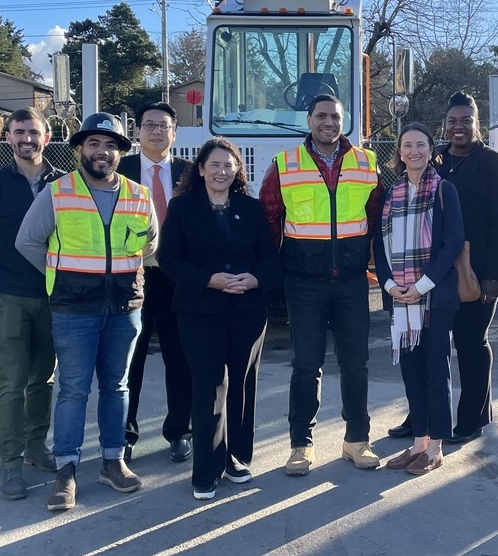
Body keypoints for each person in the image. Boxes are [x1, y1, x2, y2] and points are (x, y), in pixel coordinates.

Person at [16, 112, 157, 511]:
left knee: (117, 386)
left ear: (119, 153)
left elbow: (149, 246)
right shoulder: (58, 192)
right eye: (94, 144)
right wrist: (61, 273)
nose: (103, 152)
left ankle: (113, 460)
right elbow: (27, 242)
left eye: (111, 145)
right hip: (73, 309)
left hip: (124, 307)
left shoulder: (138, 195)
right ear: (80, 149)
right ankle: (66, 470)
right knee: (74, 388)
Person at [260, 93, 385, 476]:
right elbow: (269, 220)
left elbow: (377, 218)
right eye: (321, 116)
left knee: (356, 363)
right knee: (306, 365)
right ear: (309, 120)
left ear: (343, 121)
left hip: (350, 281)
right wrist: (276, 272)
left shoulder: (366, 163)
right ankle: (301, 445)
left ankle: (356, 440)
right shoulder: (284, 165)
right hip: (304, 283)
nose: (328, 122)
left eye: (335, 116)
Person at [387, 92, 498, 444]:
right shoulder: (437, 159)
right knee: (430, 347)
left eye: (466, 120)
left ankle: (472, 419)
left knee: (471, 343)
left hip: (476, 274)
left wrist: (495, 276)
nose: (458, 127)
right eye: (452, 121)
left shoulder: (494, 164)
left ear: (478, 123)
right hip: (432, 272)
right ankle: (423, 417)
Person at [160, 137, 281, 500]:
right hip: (200, 311)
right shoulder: (182, 208)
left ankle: (237, 458)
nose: (222, 171)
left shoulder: (251, 207)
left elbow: (270, 256)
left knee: (243, 384)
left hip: (247, 310)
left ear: (237, 171)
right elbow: (170, 259)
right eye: (214, 165)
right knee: (210, 385)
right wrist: (208, 280)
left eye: (229, 166)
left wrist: (256, 278)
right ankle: (206, 470)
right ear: (200, 168)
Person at [0, 107, 65, 500]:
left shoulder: (63, 184)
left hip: (55, 297)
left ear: (47, 137)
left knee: (43, 378)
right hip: (10, 296)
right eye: (19, 131)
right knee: (11, 382)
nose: (27, 138)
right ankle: (9, 463)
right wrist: (7, 277)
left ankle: (34, 447)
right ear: (8, 137)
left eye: (34, 132)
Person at [375, 123, 465, 476]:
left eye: (420, 145)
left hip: (434, 298)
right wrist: (388, 284)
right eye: (407, 145)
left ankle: (437, 447)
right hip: (400, 299)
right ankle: (418, 444)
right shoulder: (391, 195)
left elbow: (453, 243)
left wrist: (423, 285)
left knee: (435, 369)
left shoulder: (445, 190)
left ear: (431, 150)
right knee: (412, 373)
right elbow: (379, 247)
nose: (414, 151)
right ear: (399, 152)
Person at [120, 101, 193, 463]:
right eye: (149, 125)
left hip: (176, 278)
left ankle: (179, 431)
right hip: (131, 276)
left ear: (174, 133)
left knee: (179, 358)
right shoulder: (120, 169)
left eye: (163, 126)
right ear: (137, 131)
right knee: (129, 359)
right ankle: (124, 434)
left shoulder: (189, 173)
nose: (156, 131)